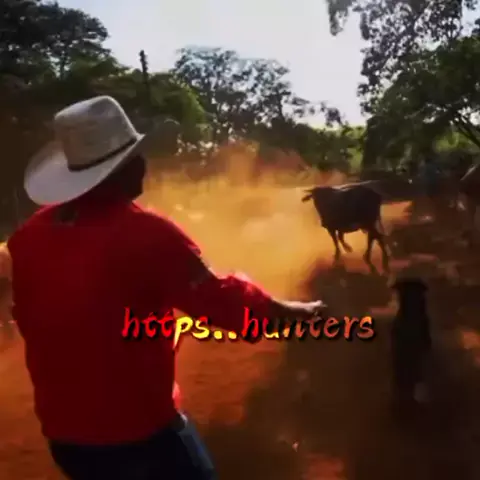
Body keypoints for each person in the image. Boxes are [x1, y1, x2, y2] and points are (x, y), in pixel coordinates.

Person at [7, 96, 326, 480]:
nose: (144, 164)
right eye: (133, 156)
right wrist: (290, 311)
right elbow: (221, 303)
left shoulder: (27, 238)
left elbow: (36, 320)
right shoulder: (147, 234)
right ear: (120, 168)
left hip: (65, 436)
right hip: (141, 432)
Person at [390, 278, 432, 418]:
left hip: (409, 351)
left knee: (408, 379)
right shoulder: (416, 313)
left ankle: (407, 407)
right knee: (411, 378)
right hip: (409, 351)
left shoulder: (409, 314)